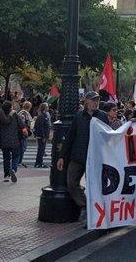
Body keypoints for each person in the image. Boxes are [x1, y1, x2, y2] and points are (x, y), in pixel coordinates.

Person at [57, 91, 109, 223]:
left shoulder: (102, 116)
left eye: (97, 100)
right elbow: (70, 137)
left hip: (95, 158)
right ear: (86, 101)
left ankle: (95, 211)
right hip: (78, 156)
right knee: (71, 182)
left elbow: (109, 136)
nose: (95, 103)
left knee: (94, 185)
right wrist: (62, 156)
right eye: (92, 100)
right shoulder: (79, 116)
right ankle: (84, 205)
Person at [0, 101, 23, 183]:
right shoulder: (15, 115)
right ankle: (13, 169)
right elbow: (21, 124)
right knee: (16, 156)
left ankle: (6, 175)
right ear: (10, 108)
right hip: (14, 139)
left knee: (6, 158)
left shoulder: (1, 115)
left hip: (3, 140)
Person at [34, 103, 51, 168]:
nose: (48, 108)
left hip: (43, 136)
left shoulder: (44, 115)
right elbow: (40, 127)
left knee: (41, 150)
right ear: (44, 108)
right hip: (41, 136)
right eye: (47, 107)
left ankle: (39, 162)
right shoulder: (42, 116)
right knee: (41, 150)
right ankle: (38, 163)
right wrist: (43, 136)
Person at [17, 101, 33, 168]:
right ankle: (19, 161)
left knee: (22, 147)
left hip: (21, 133)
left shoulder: (21, 112)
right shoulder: (24, 113)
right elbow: (23, 123)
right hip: (23, 133)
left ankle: (19, 161)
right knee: (22, 147)